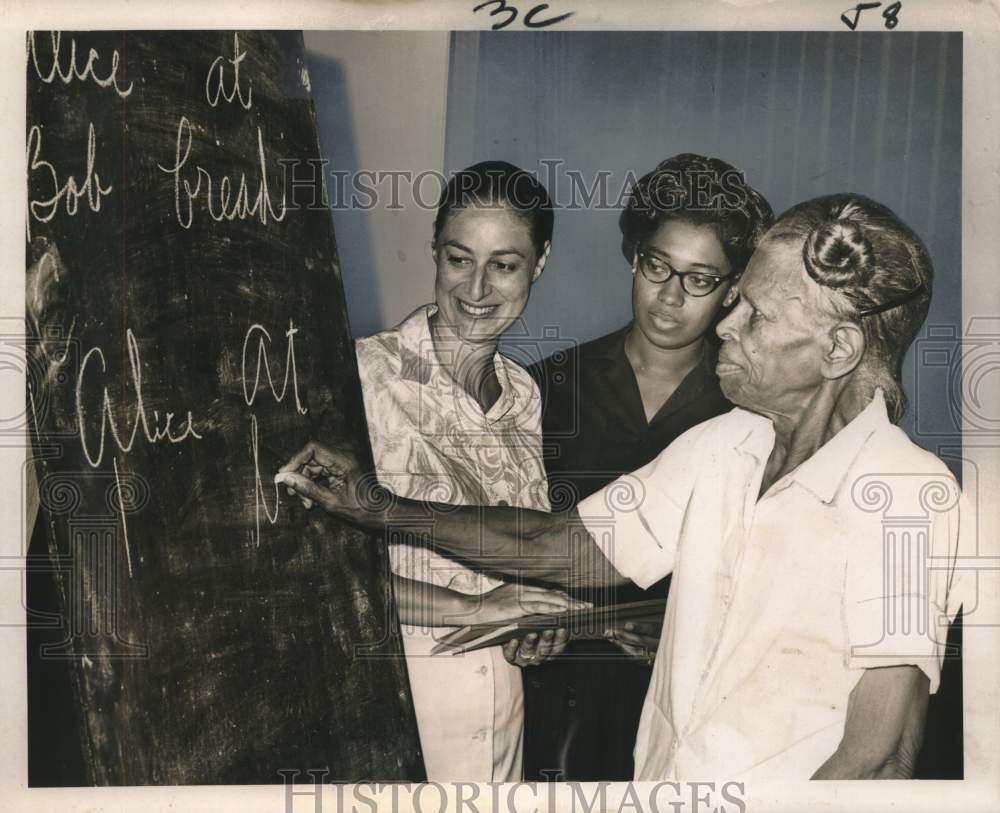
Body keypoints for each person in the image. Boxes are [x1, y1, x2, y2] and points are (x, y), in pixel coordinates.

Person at [278, 193, 969, 780]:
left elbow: (881, 751)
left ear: (840, 349)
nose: (725, 326)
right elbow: (563, 546)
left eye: (754, 315)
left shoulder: (909, 496)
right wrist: (377, 506)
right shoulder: (722, 446)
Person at [522, 154, 773, 780]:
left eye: (700, 279)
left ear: (733, 288)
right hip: (559, 688)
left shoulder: (756, 408)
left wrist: (677, 627)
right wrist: (536, 610)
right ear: (635, 256)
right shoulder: (548, 387)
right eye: (657, 266)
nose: (669, 296)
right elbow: (515, 533)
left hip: (698, 694)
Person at [352, 161, 584, 781]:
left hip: (501, 718)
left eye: (504, 265)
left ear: (539, 264)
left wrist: (540, 618)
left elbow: (522, 551)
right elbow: (321, 578)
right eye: (459, 259)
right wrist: (477, 609)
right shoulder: (363, 378)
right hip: (392, 712)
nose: (477, 288)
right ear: (434, 249)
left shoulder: (525, 396)